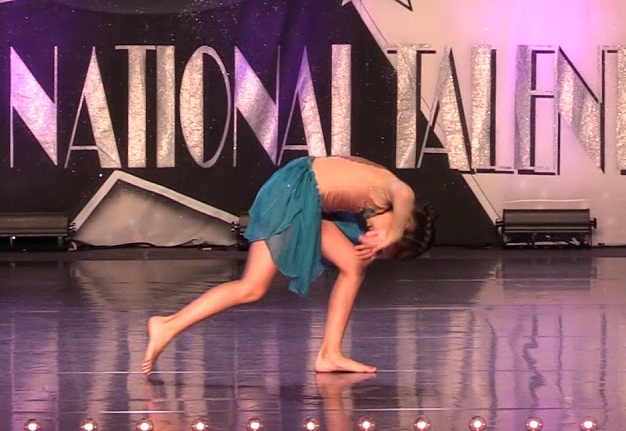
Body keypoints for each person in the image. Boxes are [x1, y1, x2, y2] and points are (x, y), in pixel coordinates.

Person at [141, 155, 437, 375]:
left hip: (308, 197)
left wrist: (375, 238)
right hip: (293, 190)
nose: (378, 241)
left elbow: (342, 190)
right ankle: (167, 325)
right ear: (404, 224)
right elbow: (405, 194)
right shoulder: (393, 189)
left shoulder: (378, 204)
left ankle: (330, 354)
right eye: (387, 241)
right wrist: (390, 235)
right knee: (252, 288)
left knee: (353, 265)